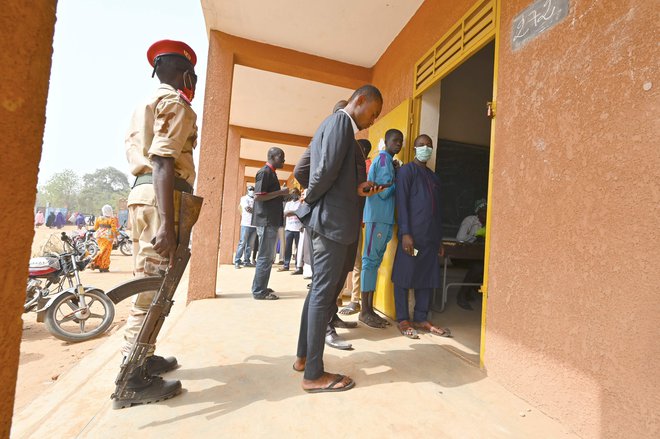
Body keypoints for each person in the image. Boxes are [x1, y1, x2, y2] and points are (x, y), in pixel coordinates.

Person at [115, 39, 199, 408]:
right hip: (161, 200)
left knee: (152, 283)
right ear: (185, 74)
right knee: (154, 290)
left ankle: (144, 357)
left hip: (144, 197)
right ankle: (131, 381)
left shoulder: (145, 103)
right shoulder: (175, 103)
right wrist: (167, 223)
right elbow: (164, 161)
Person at [293, 85, 383, 392]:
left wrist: (356, 189)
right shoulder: (341, 123)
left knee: (318, 292)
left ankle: (304, 358)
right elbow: (324, 172)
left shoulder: (336, 126)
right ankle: (314, 375)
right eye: (373, 112)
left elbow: (329, 173)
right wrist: (310, 203)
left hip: (332, 221)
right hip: (330, 223)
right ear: (359, 101)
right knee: (323, 294)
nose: (373, 120)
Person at [391, 134, 451, 339]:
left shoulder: (434, 177)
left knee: (426, 277)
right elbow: (402, 203)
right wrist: (405, 232)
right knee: (404, 275)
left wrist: (440, 238)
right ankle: (403, 319)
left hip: (430, 238)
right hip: (412, 237)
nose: (426, 148)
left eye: (429, 145)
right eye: (421, 145)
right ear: (415, 148)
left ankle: (421, 318)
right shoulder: (407, 172)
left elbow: (438, 210)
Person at [357, 128, 404, 327]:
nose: (399, 144)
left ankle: (368, 309)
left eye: (401, 141)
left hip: (382, 219)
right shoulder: (384, 160)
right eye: (395, 140)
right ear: (386, 141)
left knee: (373, 264)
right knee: (369, 263)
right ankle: (364, 311)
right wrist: (399, 178)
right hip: (378, 218)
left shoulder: (387, 162)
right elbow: (383, 192)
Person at [339, 138, 373, 316]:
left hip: (357, 219)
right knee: (348, 261)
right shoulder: (354, 166)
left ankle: (354, 300)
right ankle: (343, 295)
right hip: (352, 219)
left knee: (355, 261)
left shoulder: (367, 166)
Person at [251, 147, 289, 300]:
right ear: (274, 157)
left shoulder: (271, 172)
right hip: (266, 221)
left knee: (267, 257)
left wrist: (285, 196)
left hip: (270, 220)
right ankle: (259, 291)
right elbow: (258, 196)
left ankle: (261, 286)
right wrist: (281, 192)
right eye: (282, 158)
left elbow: (269, 197)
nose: (284, 161)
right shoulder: (265, 172)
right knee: (265, 257)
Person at [455, 199, 487, 310]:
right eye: (483, 211)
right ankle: (462, 295)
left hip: (477, 256)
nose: (485, 214)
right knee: (478, 268)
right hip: (461, 256)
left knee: (482, 266)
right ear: (477, 212)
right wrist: (475, 235)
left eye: (487, 211)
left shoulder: (490, 223)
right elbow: (460, 239)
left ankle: (469, 291)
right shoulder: (470, 221)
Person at [279, 188, 302, 271]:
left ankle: (298, 265)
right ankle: (286, 265)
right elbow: (285, 214)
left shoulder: (300, 203)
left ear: (298, 193)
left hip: (299, 229)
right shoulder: (288, 204)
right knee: (287, 247)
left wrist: (291, 212)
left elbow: (301, 213)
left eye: (295, 192)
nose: (294, 194)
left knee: (298, 248)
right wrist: (295, 212)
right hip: (289, 228)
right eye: (292, 192)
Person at [234, 186, 257, 269]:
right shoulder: (244, 198)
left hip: (254, 225)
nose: (252, 191)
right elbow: (248, 209)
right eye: (250, 189)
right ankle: (237, 261)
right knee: (242, 243)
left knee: (250, 245)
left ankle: (246, 261)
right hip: (246, 224)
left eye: (253, 189)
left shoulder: (256, 199)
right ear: (247, 190)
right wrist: (257, 211)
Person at [92, 205, 118, 272]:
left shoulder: (99, 218)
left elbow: (95, 228)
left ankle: (99, 265)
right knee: (106, 252)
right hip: (108, 237)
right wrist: (115, 238)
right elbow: (114, 229)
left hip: (99, 236)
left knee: (103, 250)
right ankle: (100, 265)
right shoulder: (112, 219)